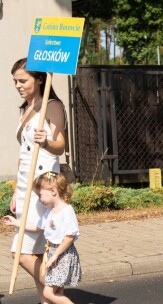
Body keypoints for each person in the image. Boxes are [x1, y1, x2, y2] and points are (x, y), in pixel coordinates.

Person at [9, 57, 66, 303]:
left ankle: (60, 291)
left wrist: (46, 141)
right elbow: (24, 155)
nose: (18, 85)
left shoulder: (51, 105)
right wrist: (15, 191)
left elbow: (60, 147)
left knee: (20, 253)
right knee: (37, 254)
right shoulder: (26, 108)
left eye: (23, 80)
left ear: (40, 79)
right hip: (25, 187)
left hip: (43, 187)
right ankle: (49, 298)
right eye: (15, 81)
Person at [3, 172, 81, 304]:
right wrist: (16, 223)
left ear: (53, 191)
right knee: (57, 291)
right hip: (54, 253)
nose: (39, 199)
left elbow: (69, 237)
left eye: (40, 195)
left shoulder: (67, 211)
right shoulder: (49, 211)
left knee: (48, 292)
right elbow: (37, 227)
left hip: (63, 255)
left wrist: (55, 255)